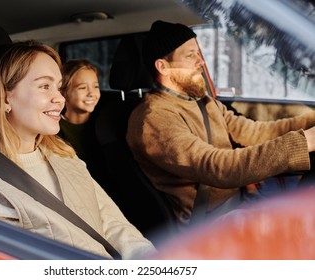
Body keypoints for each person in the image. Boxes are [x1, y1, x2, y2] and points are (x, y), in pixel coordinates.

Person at [0, 40, 155, 259]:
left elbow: (111, 222)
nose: (60, 98)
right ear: (4, 98)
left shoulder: (63, 154)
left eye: (58, 86)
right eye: (45, 86)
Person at [126, 20, 315, 227]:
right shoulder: (153, 119)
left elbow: (253, 132)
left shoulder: (201, 100)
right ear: (163, 67)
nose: (201, 61)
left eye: (199, 53)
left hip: (241, 198)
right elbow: (218, 167)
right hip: (211, 221)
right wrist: (303, 142)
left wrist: (310, 121)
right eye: (190, 56)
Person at [58, 59, 109, 189]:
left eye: (96, 86)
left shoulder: (107, 124)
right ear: (63, 92)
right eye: (82, 88)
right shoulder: (54, 130)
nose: (92, 93)